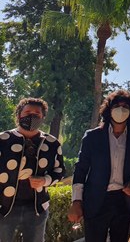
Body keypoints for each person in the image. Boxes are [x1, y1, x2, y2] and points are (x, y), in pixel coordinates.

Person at [68, 90, 130, 242]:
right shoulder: (92, 137)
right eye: (116, 105)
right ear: (108, 110)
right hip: (97, 201)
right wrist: (76, 201)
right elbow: (81, 169)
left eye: (125, 106)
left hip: (124, 202)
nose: (121, 109)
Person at [0, 97, 65, 242]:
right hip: (4, 206)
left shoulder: (52, 143)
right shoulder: (3, 139)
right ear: (19, 115)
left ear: (42, 118)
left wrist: (45, 180)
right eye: (27, 112)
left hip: (37, 208)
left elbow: (60, 171)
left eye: (37, 114)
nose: (32, 116)